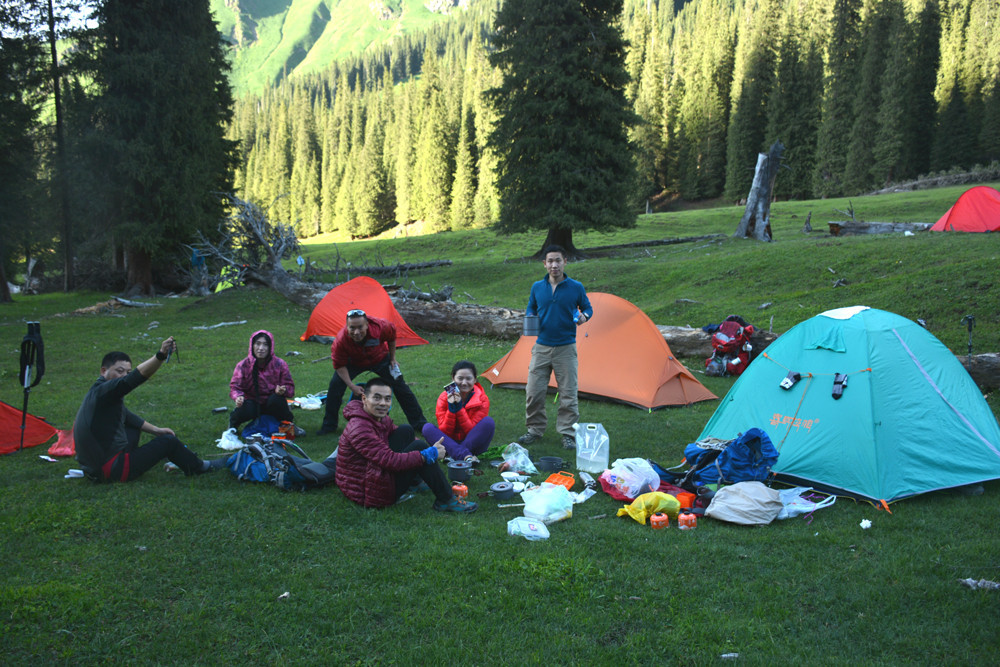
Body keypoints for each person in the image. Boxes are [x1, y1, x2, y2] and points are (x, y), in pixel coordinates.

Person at [74, 337, 226, 482]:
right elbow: (134, 379)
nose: (123, 376)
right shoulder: (105, 391)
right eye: (119, 371)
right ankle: (199, 467)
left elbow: (126, 416)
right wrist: (160, 355)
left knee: (135, 427)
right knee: (168, 442)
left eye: (127, 372)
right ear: (103, 371)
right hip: (110, 471)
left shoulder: (98, 393)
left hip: (94, 469)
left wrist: (156, 430)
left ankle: (145, 457)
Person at [335, 377, 477, 512]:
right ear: (364, 399)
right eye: (377, 398)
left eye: (387, 398)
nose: (383, 403)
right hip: (368, 492)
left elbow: (397, 435)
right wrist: (429, 453)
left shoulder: (376, 417)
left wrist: (426, 451)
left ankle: (414, 482)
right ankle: (446, 500)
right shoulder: (360, 429)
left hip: (370, 474)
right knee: (421, 448)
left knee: (406, 431)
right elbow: (390, 461)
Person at [519, 245, 593, 450]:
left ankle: (568, 433)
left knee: (568, 394)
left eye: (558, 260)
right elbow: (532, 306)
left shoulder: (575, 287)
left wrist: (585, 316)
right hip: (541, 346)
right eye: (550, 261)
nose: (554, 265)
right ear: (544, 264)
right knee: (533, 391)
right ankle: (534, 429)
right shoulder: (537, 287)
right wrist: (530, 320)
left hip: (566, 348)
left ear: (565, 262)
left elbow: (587, 307)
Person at [317, 309, 426, 435]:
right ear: (347, 327)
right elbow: (339, 365)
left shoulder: (381, 327)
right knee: (335, 386)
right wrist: (351, 386)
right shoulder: (341, 341)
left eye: (360, 327)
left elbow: (391, 337)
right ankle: (329, 426)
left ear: (367, 325)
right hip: (353, 362)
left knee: (401, 386)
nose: (356, 332)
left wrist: (392, 359)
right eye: (352, 328)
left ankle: (419, 423)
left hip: (379, 358)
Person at [422, 360, 495, 464]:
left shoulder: (482, 399)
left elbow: (471, 431)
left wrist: (459, 409)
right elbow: (445, 432)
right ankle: (465, 456)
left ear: (475, 379)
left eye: (468, 378)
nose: (464, 383)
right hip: (450, 443)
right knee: (427, 428)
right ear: (453, 378)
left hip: (472, 443)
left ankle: (454, 456)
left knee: (488, 422)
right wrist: (452, 409)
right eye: (460, 378)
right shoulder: (444, 397)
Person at [229, 330, 299, 435]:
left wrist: (282, 390)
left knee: (277, 400)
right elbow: (235, 386)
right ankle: (232, 427)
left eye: (265, 345)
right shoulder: (243, 365)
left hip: (271, 403)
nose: (261, 348)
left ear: (270, 347)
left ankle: (289, 426)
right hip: (252, 403)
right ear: (252, 346)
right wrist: (238, 396)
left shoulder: (280, 364)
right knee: (243, 407)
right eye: (257, 344)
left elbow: (290, 389)